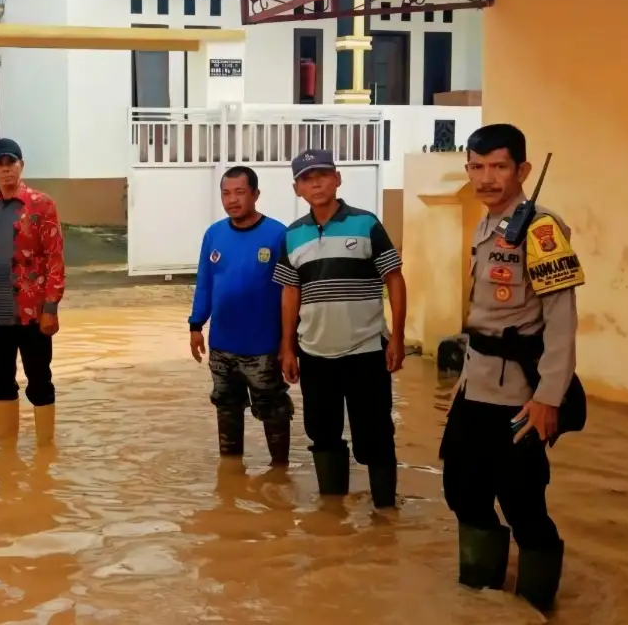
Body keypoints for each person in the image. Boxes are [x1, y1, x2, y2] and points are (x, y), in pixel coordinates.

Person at [439, 124, 584, 613]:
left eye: (498, 166)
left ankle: (536, 605)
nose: (486, 178)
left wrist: (549, 398)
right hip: (475, 385)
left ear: (521, 170)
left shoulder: (541, 228)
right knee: (462, 489)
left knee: (524, 504)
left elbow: (561, 322)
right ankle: (481, 598)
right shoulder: (487, 224)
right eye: (477, 167)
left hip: (519, 395)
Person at [275, 149, 408, 510]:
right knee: (322, 434)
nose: (315, 182)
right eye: (306, 177)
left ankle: (385, 512)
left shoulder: (366, 224)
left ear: (337, 178)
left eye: (321, 174)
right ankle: (332, 513)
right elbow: (290, 292)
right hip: (315, 354)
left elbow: (394, 279)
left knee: (376, 435)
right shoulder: (293, 235)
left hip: (366, 350)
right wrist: (287, 347)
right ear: (296, 188)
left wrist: (396, 336)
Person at [0, 138, 65, 446]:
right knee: (0, 383)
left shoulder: (42, 205)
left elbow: (54, 260)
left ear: (21, 166)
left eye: (11, 164)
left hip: (33, 313)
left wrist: (51, 308)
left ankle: (45, 452)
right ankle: (7, 456)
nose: (6, 171)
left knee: (40, 381)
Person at [187, 166, 292, 466]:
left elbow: (290, 292)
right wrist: (196, 325)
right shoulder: (214, 234)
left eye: (239, 192)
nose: (232, 199)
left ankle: (279, 472)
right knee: (227, 408)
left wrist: (289, 343)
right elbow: (205, 282)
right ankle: (231, 476)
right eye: (226, 193)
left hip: (263, 348)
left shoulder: (278, 234)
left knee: (273, 409)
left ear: (256, 194)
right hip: (222, 346)